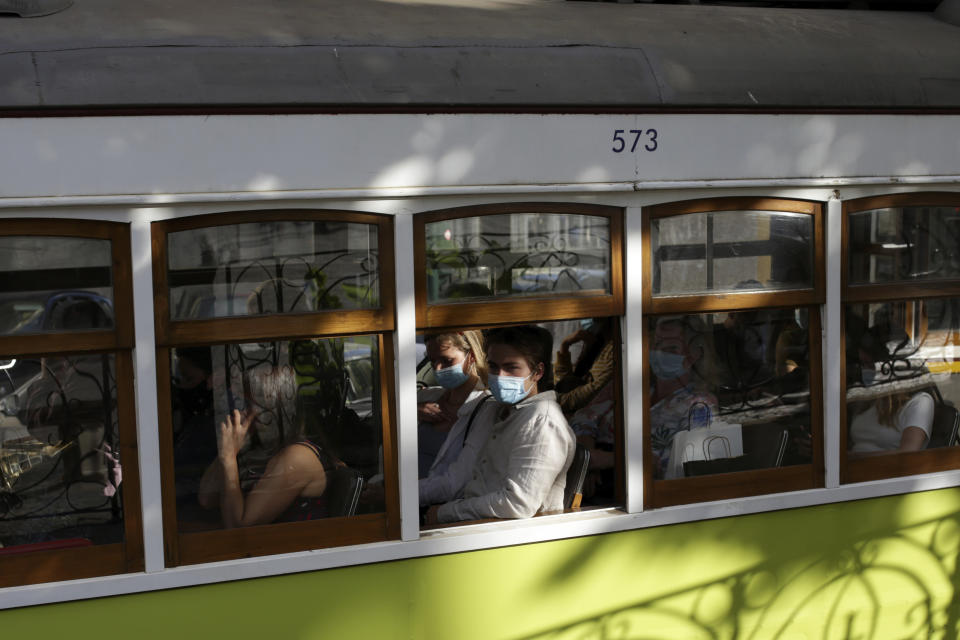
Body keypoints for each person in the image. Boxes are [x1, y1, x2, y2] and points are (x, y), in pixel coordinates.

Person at [425, 325, 575, 524]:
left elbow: (517, 503)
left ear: (537, 372)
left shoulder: (542, 421)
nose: (500, 376)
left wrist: (446, 512)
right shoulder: (497, 408)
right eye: (494, 367)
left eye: (511, 367)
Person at [198, 365, 335, 528]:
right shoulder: (264, 448)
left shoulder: (297, 456)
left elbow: (239, 528)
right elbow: (207, 498)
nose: (240, 412)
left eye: (247, 404)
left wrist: (229, 459)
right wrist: (228, 452)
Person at [417, 331, 497, 506]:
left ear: (472, 357)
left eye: (447, 361)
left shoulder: (486, 407)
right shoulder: (427, 398)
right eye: (433, 361)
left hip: (438, 510)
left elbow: (456, 483)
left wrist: (401, 495)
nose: (438, 369)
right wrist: (414, 413)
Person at [649, 316, 719, 479]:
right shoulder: (634, 392)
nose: (659, 355)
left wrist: (609, 461)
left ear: (695, 354)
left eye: (671, 350)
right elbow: (585, 419)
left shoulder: (700, 407)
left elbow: (687, 471)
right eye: (656, 346)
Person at [554, 318, 615, 415]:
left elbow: (594, 391)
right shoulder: (596, 341)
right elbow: (564, 384)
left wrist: (555, 401)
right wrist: (565, 346)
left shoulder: (615, 349)